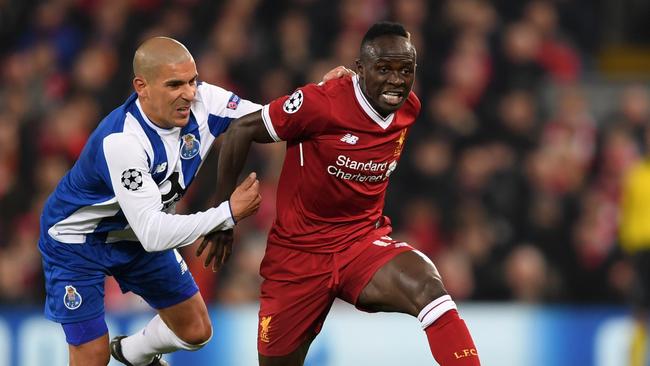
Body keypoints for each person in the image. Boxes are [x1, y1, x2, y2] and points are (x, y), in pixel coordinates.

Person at [38, 36, 351, 366]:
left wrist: (319, 94)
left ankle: (132, 354)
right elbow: (153, 233)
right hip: (78, 241)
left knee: (195, 331)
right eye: (174, 84)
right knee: (91, 355)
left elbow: (272, 121)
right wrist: (227, 213)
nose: (188, 93)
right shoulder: (123, 142)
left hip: (133, 235)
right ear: (141, 87)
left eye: (191, 80)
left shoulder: (207, 102)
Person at [199, 22, 481, 366]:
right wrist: (222, 216)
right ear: (360, 70)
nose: (396, 80)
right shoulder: (320, 103)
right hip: (297, 257)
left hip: (359, 244)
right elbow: (240, 130)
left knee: (427, 285)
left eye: (405, 70)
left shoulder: (409, 110)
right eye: (384, 69)